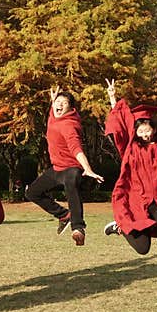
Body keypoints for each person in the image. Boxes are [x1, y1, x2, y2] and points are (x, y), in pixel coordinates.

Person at [101, 79, 157, 255]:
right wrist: (113, 100)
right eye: (140, 131)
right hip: (136, 199)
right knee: (143, 248)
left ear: (154, 129)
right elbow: (121, 127)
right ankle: (120, 226)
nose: (144, 134)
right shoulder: (131, 149)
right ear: (135, 132)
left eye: (147, 130)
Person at [26, 86, 104, 246]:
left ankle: (78, 228)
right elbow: (53, 109)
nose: (59, 105)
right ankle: (63, 215)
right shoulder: (54, 116)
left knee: (71, 185)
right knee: (32, 193)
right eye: (58, 102)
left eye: (64, 103)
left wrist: (87, 169)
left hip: (71, 168)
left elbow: (76, 148)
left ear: (71, 108)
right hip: (56, 168)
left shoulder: (69, 125)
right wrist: (53, 100)